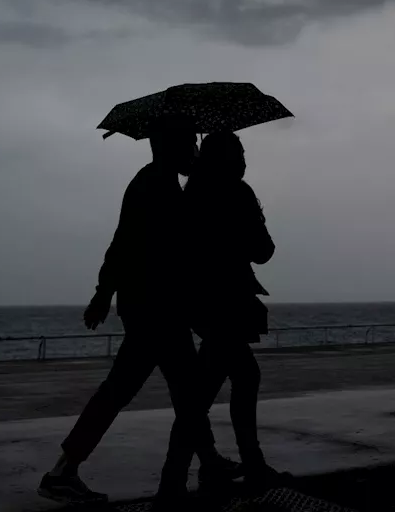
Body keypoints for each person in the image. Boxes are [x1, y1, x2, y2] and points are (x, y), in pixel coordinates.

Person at [38, 117, 240, 507]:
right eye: (189, 143)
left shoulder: (158, 183)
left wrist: (105, 293)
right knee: (163, 390)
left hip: (156, 309)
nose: (194, 151)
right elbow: (126, 244)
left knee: (168, 391)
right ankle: (63, 471)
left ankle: (66, 469)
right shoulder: (153, 186)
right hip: (155, 311)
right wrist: (102, 293)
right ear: (169, 147)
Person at [185, 131, 287, 490]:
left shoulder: (191, 194)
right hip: (227, 304)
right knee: (229, 382)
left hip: (202, 305)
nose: (244, 159)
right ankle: (241, 465)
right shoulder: (237, 193)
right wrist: (252, 216)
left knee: (212, 385)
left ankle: (214, 462)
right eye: (240, 151)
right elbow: (263, 250)